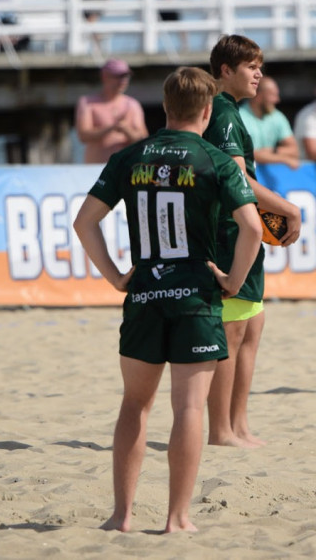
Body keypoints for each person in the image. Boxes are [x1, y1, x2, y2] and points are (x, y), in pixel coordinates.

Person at [73, 66, 263, 533]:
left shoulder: (130, 156)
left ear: (165, 107)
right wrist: (234, 281)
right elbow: (253, 228)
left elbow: (84, 222)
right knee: (188, 410)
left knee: (134, 405)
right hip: (195, 295)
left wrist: (117, 276)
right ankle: (177, 518)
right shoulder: (216, 159)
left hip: (145, 292)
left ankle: (121, 515)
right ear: (205, 110)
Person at [203, 35, 302, 448]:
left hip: (239, 229)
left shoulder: (231, 110)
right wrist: (288, 208)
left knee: (252, 326)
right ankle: (221, 430)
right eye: (250, 66)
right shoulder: (223, 111)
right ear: (226, 71)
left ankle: (239, 425)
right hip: (228, 233)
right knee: (233, 331)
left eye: (260, 65)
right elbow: (236, 178)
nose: (259, 73)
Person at [75, 59, 148, 163]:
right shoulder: (87, 103)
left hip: (124, 170)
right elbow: (83, 136)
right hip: (96, 171)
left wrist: (125, 129)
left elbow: (143, 140)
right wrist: (111, 128)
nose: (123, 81)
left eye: (126, 76)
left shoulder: (133, 105)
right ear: (104, 76)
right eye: (118, 76)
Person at [239, 76, 300, 169]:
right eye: (272, 95)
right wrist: (283, 159)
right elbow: (246, 154)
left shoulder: (277, 116)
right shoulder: (239, 116)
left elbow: (294, 150)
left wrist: (272, 151)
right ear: (258, 96)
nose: (277, 100)